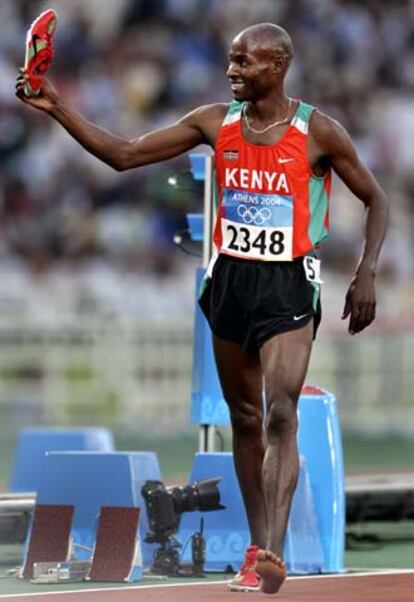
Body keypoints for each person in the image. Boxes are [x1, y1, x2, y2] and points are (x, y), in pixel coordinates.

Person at [16, 22, 388, 595]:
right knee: (243, 420)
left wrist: (366, 273)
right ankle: (254, 551)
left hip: (288, 285)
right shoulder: (215, 122)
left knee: (281, 411)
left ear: (278, 65)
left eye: (244, 62)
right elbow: (123, 155)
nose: (232, 70)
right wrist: (58, 106)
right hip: (230, 284)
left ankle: (274, 553)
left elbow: (376, 199)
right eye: (230, 60)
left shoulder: (320, 131)